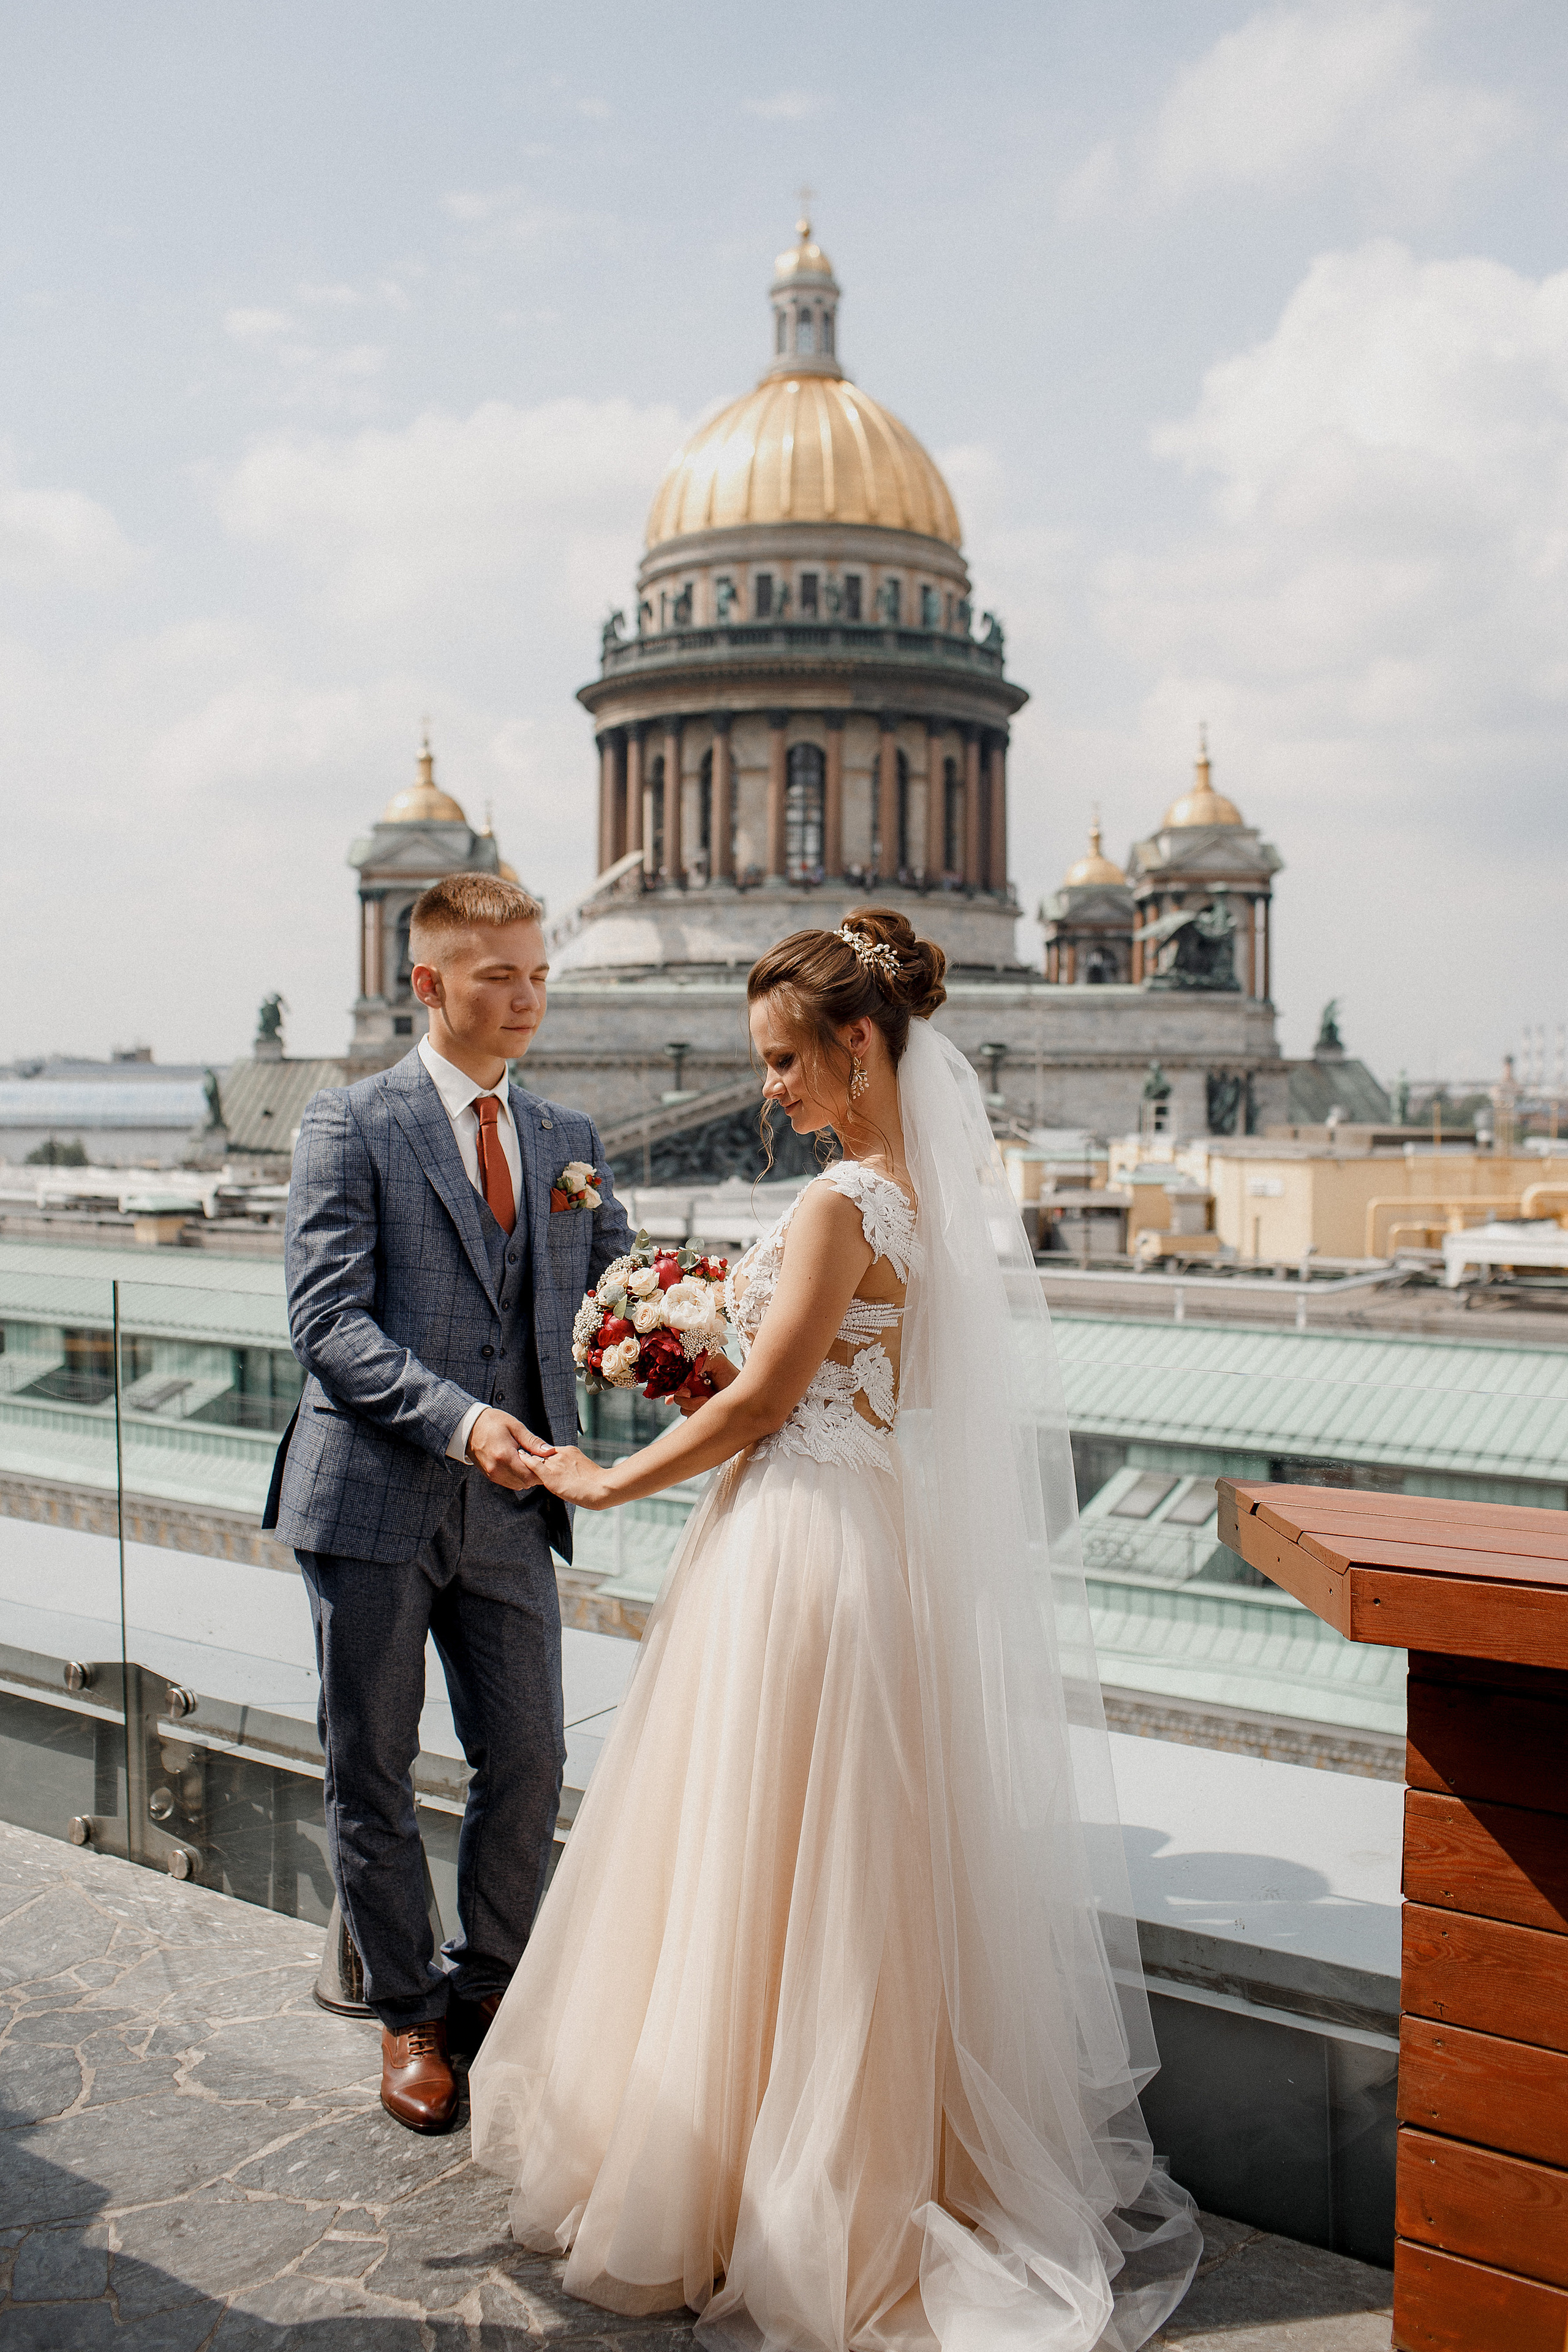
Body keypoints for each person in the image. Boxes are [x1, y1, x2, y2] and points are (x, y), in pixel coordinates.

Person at [470, 909, 1200, 2350]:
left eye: (783, 1060)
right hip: (872, 1531)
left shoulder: (835, 1205)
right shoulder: (928, 1198)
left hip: (795, 1541)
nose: (768, 1087)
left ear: (856, 1042)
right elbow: (862, 1379)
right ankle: (855, 2162)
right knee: (849, 1867)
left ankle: (745, 2174)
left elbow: (760, 1402)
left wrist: (607, 1475)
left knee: (752, 1845)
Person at [263, 872, 633, 2135]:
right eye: (498, 976)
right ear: (429, 982)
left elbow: (616, 1292)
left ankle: (490, 1987)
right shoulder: (348, 1122)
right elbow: (327, 1322)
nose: (527, 998)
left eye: (538, 974)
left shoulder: (569, 1134)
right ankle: (409, 2013)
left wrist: (709, 1330)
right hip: (370, 1497)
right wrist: (464, 1421)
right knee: (369, 1763)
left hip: (513, 1510)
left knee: (527, 1758)